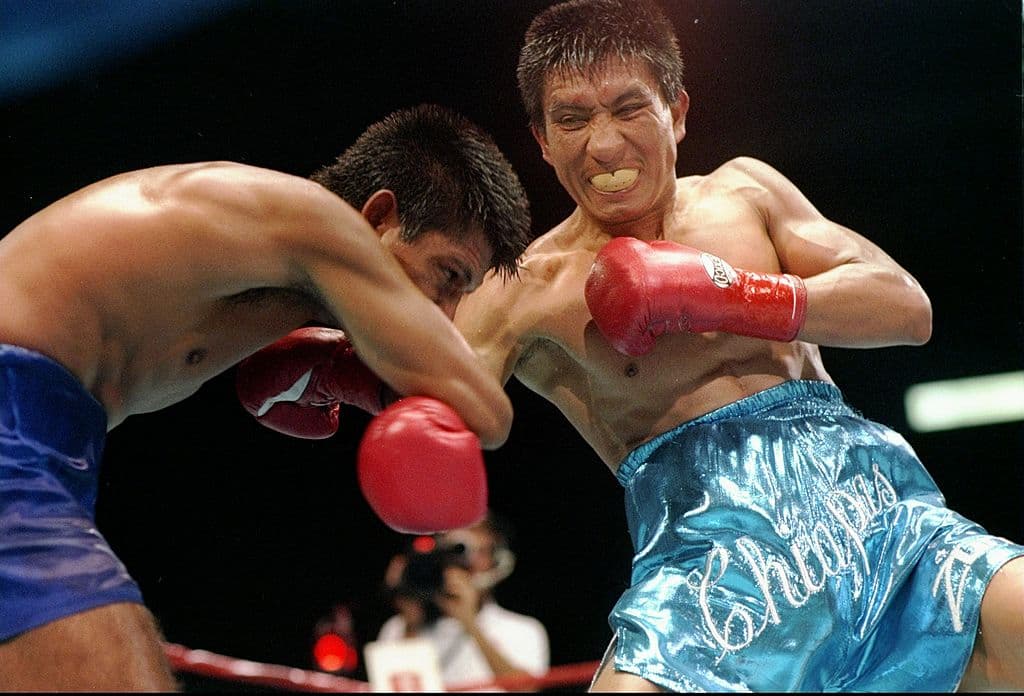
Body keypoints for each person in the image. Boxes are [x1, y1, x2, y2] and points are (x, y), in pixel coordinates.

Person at [453, 0, 1024, 691]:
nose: (602, 146)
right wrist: (339, 360)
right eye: (572, 120)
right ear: (542, 140)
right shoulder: (519, 290)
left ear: (677, 112)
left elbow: (906, 308)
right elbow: (433, 400)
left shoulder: (744, 192)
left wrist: (731, 295)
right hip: (708, 575)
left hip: (869, 515)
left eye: (629, 109)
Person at [0, 103, 531, 691]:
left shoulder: (263, 275)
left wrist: (344, 371)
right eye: (449, 276)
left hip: (51, 448)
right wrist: (401, 386)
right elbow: (487, 412)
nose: (445, 315)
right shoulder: (318, 221)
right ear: (379, 217)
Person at [378, 512, 550, 689]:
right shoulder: (398, 627)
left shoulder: (523, 629)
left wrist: (469, 622)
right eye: (453, 551)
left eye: (480, 551)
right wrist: (410, 620)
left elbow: (527, 689)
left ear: (497, 560)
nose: (463, 563)